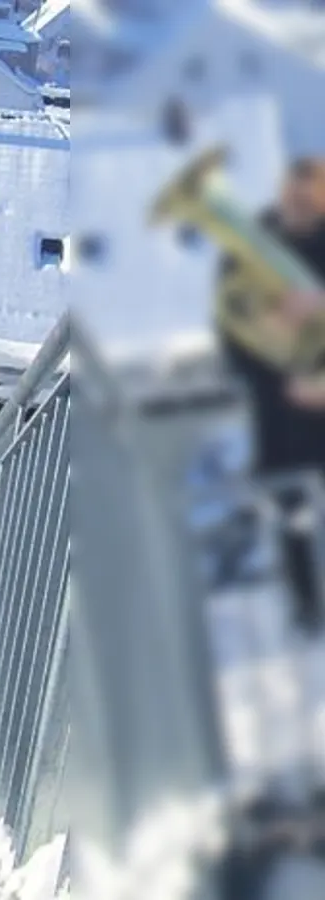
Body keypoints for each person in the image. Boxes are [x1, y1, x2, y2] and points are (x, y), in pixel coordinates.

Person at [216, 157, 325, 634]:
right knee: (294, 514)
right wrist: (284, 379)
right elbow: (232, 331)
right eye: (297, 193)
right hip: (280, 412)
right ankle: (306, 604)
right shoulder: (252, 245)